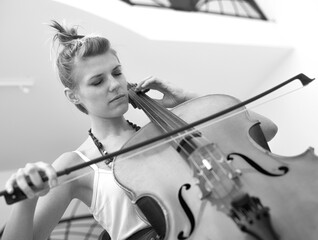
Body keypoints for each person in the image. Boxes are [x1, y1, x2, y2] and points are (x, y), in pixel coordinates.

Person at [1, 20, 277, 240]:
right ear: (74, 96)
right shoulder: (75, 165)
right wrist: (25, 200)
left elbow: (263, 129)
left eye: (117, 73)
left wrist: (188, 100)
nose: (114, 85)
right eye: (97, 81)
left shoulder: (165, 130)